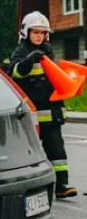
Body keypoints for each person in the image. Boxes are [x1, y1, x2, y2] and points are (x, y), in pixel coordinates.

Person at [9, 11, 78, 199]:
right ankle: (26, 187)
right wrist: (28, 61)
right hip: (32, 113)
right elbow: (14, 73)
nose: (39, 36)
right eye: (36, 32)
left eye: (42, 32)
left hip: (51, 111)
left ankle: (62, 185)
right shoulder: (21, 52)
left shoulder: (48, 50)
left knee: (57, 149)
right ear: (26, 32)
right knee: (29, 152)